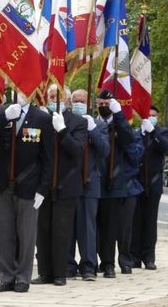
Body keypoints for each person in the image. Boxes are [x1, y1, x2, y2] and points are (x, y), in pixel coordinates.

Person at [0, 92, 54, 293]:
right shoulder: (2, 111)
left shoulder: (42, 118)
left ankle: (23, 277)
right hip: (3, 182)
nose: (23, 94)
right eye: (19, 90)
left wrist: (43, 189)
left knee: (26, 234)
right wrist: (4, 118)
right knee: (4, 233)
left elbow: (49, 157)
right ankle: (6, 276)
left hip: (29, 184)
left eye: (27, 91)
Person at [32, 85, 87, 287]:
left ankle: (60, 273)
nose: (55, 99)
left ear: (68, 99)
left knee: (61, 232)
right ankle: (45, 272)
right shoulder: (42, 121)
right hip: (44, 185)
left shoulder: (78, 122)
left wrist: (62, 130)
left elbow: (77, 151)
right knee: (43, 231)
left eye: (59, 96)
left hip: (66, 184)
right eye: (52, 96)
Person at [67, 89, 110, 281]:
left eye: (82, 101)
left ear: (89, 104)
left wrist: (92, 129)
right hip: (69, 181)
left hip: (90, 182)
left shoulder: (99, 126)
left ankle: (88, 266)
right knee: (68, 228)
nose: (78, 104)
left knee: (87, 228)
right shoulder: (67, 123)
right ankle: (68, 265)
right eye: (75, 100)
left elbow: (105, 150)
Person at [95, 89, 137, 278]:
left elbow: (129, 141)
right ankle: (105, 262)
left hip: (118, 183)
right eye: (101, 104)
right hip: (98, 183)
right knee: (102, 229)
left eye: (107, 104)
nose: (104, 107)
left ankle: (117, 263)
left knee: (118, 227)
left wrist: (119, 114)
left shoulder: (122, 125)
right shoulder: (93, 124)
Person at [131, 105, 168, 270]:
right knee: (135, 221)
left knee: (150, 222)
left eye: (154, 115)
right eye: (149, 115)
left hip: (153, 184)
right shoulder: (135, 134)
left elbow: (165, 148)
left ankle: (149, 258)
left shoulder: (162, 132)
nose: (151, 117)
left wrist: (153, 131)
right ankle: (134, 257)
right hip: (137, 183)